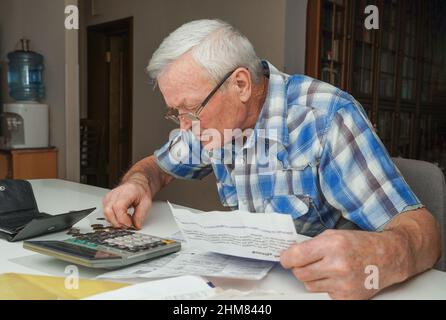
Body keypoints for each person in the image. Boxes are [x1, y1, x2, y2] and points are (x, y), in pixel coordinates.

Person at [102, 19, 441, 299]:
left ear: (241, 85)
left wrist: (379, 258)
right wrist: (138, 182)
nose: (186, 128)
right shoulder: (208, 127)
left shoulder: (325, 117)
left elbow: (424, 233)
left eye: (191, 110)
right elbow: (157, 167)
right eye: (177, 114)